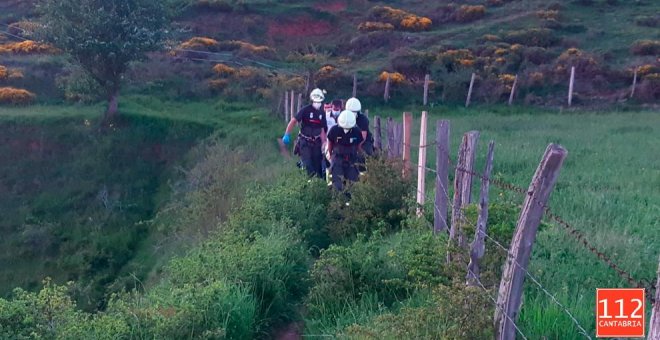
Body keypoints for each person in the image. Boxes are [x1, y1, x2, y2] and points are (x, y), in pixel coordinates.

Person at [282, 88, 328, 178]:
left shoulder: (322, 113)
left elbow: (322, 129)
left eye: (319, 101)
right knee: (308, 164)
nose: (318, 103)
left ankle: (318, 185)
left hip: (316, 142)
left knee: (318, 165)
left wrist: (323, 143)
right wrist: (287, 134)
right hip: (305, 142)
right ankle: (309, 183)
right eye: (316, 101)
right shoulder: (305, 110)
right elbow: (293, 121)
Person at [326, 110, 363, 191]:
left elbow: (359, 146)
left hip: (352, 160)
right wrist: (330, 155)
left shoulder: (357, 131)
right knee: (337, 184)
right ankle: (337, 201)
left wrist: (361, 158)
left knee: (352, 184)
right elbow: (330, 144)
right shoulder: (334, 130)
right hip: (338, 159)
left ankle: (351, 202)